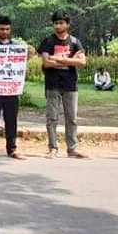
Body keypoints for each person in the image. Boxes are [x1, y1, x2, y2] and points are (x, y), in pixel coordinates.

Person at [0, 16, 35, 160]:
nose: (4, 31)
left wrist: (30, 52)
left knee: (11, 119)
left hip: (11, 87)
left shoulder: (16, 46)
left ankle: (12, 149)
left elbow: (24, 61)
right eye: (1, 29)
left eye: (7, 29)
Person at [38, 11, 88, 159]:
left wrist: (57, 58)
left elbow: (82, 62)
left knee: (72, 118)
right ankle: (53, 148)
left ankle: (72, 148)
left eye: (61, 23)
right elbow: (46, 63)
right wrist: (70, 59)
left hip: (70, 85)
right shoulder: (48, 41)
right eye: (56, 23)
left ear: (67, 24)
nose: (58, 25)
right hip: (52, 84)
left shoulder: (74, 41)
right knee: (52, 118)